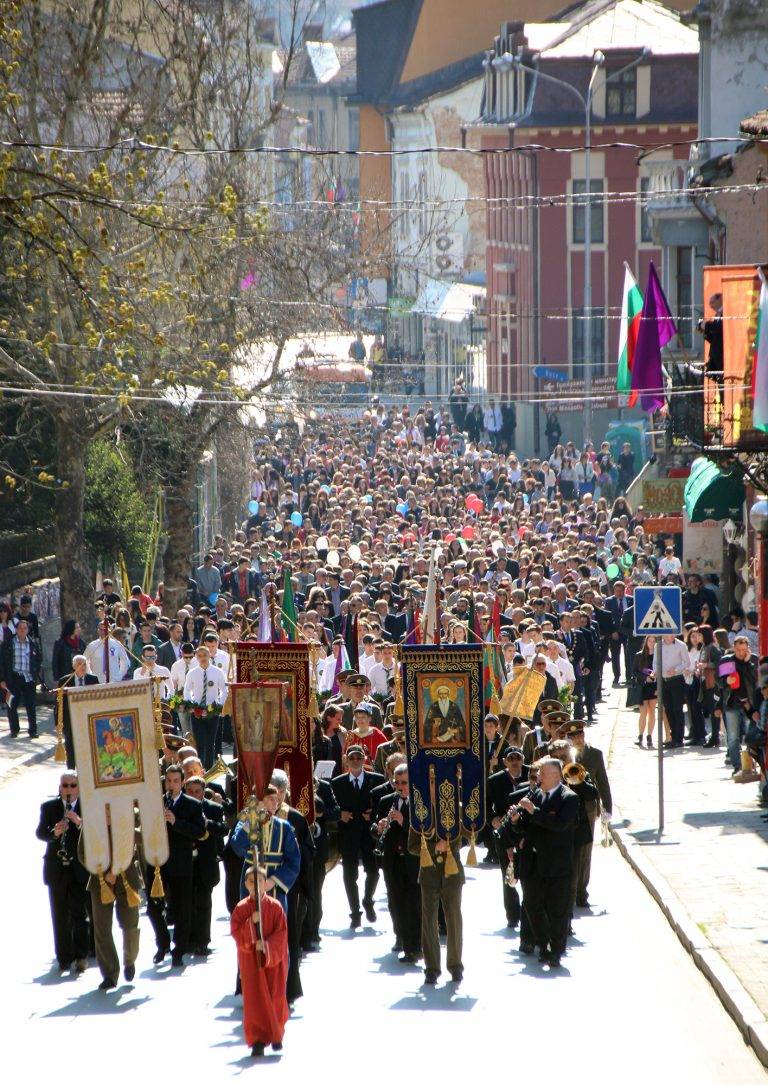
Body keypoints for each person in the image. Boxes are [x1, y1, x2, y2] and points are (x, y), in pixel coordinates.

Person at [508, 757, 579, 967]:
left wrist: (533, 811)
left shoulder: (569, 798)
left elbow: (559, 825)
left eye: (543, 774)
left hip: (556, 864)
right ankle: (543, 943)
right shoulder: (537, 795)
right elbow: (527, 827)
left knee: (557, 910)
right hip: (533, 863)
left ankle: (555, 950)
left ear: (556, 776)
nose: (538, 777)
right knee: (532, 904)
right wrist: (516, 821)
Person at [145, 764, 206, 967]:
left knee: (182, 909)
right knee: (153, 908)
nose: (171, 785)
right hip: (158, 863)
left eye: (175, 781)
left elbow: (199, 831)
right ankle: (162, 943)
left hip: (181, 864)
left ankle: (179, 950)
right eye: (168, 781)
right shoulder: (156, 803)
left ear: (182, 783)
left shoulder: (192, 805)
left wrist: (176, 822)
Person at [231, 866, 289, 1058]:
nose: (255, 885)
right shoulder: (241, 909)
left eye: (259, 881)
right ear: (246, 884)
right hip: (251, 961)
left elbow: (282, 934)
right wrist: (250, 925)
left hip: (272, 962)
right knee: (255, 1000)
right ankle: (258, 1040)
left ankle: (276, 1035)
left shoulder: (276, 907)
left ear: (265, 884)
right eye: (251, 882)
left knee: (275, 998)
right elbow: (236, 933)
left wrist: (267, 946)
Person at [35, 771, 90, 974]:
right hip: (57, 868)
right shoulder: (49, 807)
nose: (68, 790)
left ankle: (81, 955)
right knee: (59, 914)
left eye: (72, 786)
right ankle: (64, 958)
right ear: (60, 788)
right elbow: (40, 832)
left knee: (79, 913)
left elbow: (95, 833)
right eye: (65, 786)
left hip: (78, 868)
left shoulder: (86, 807)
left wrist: (79, 822)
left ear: (79, 788)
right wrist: (54, 832)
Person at [79, 822, 143, 990]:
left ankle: (130, 959)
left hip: (127, 878)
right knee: (102, 929)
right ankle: (110, 973)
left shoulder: (125, 816)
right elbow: (82, 853)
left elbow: (141, 838)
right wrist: (101, 873)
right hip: (100, 882)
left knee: (130, 923)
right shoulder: (92, 819)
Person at [331, 745, 384, 928]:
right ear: (346, 760)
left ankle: (368, 900)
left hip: (370, 835)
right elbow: (332, 806)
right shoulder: (337, 783)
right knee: (349, 875)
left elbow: (384, 804)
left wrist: (373, 814)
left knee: (373, 872)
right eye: (351, 758)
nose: (355, 761)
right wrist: (340, 814)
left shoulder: (376, 780)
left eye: (358, 757)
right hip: (348, 834)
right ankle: (355, 912)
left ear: (364, 759)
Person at [373, 763, 421, 962]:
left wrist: (403, 821)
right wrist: (379, 827)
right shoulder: (386, 801)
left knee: (413, 902)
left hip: (413, 860)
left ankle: (414, 946)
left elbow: (423, 831)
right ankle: (400, 936)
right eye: (397, 783)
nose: (400, 787)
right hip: (392, 861)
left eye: (404, 783)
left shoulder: (419, 802)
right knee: (395, 902)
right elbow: (374, 828)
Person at [407, 825, 465, 985]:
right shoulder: (419, 813)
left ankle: (455, 966)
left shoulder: (455, 811)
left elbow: (467, 835)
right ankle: (431, 968)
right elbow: (412, 846)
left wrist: (450, 843)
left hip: (452, 873)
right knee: (429, 921)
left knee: (454, 920)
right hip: (429, 873)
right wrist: (434, 847)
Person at [184, 774, 226, 956]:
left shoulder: (213, 808)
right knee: (187, 903)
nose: (193, 794)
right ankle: (189, 940)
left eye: (197, 791)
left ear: (203, 792)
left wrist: (207, 823)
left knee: (203, 903)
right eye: (190, 791)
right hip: (185, 863)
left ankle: (203, 942)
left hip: (205, 863)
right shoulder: (179, 807)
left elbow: (223, 829)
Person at [487, 746, 527, 927]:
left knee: (528, 875)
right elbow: (485, 804)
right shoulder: (494, 780)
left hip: (525, 832)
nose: (515, 762)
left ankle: (528, 912)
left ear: (523, 759)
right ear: (504, 762)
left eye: (518, 758)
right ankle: (512, 914)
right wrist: (492, 819)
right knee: (508, 874)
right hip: (504, 833)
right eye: (511, 759)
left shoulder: (531, 774)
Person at [182, 644, 228, 769]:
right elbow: (187, 690)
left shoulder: (218, 672)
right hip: (197, 711)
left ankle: (209, 769)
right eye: (200, 656)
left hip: (213, 712)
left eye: (205, 655)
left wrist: (219, 705)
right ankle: (200, 768)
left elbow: (224, 690)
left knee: (211, 742)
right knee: (199, 742)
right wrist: (191, 704)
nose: (203, 658)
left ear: (209, 655)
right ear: (196, 657)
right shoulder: (192, 673)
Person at [1, 617, 41, 737]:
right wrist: (2, 679)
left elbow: (38, 659)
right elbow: (2, 662)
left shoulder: (33, 644)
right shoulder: (8, 643)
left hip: (29, 677)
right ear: (16, 630)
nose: (22, 630)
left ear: (27, 630)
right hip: (14, 677)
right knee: (11, 704)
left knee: (31, 705)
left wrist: (35, 672)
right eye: (20, 628)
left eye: (25, 628)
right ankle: (14, 730)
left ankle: (33, 730)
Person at [58, 654, 100, 768]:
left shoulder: (93, 679)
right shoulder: (65, 681)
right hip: (70, 720)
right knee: (70, 747)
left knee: (89, 746)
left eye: (84, 664)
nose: (83, 667)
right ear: (74, 666)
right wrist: (58, 722)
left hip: (88, 719)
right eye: (80, 664)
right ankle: (71, 770)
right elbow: (59, 703)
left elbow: (98, 701)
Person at [52, 619, 86, 684]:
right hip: (65, 676)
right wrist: (56, 678)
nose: (79, 629)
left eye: (79, 627)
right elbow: (55, 662)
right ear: (71, 628)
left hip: (79, 676)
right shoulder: (60, 643)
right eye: (77, 627)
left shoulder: (81, 643)